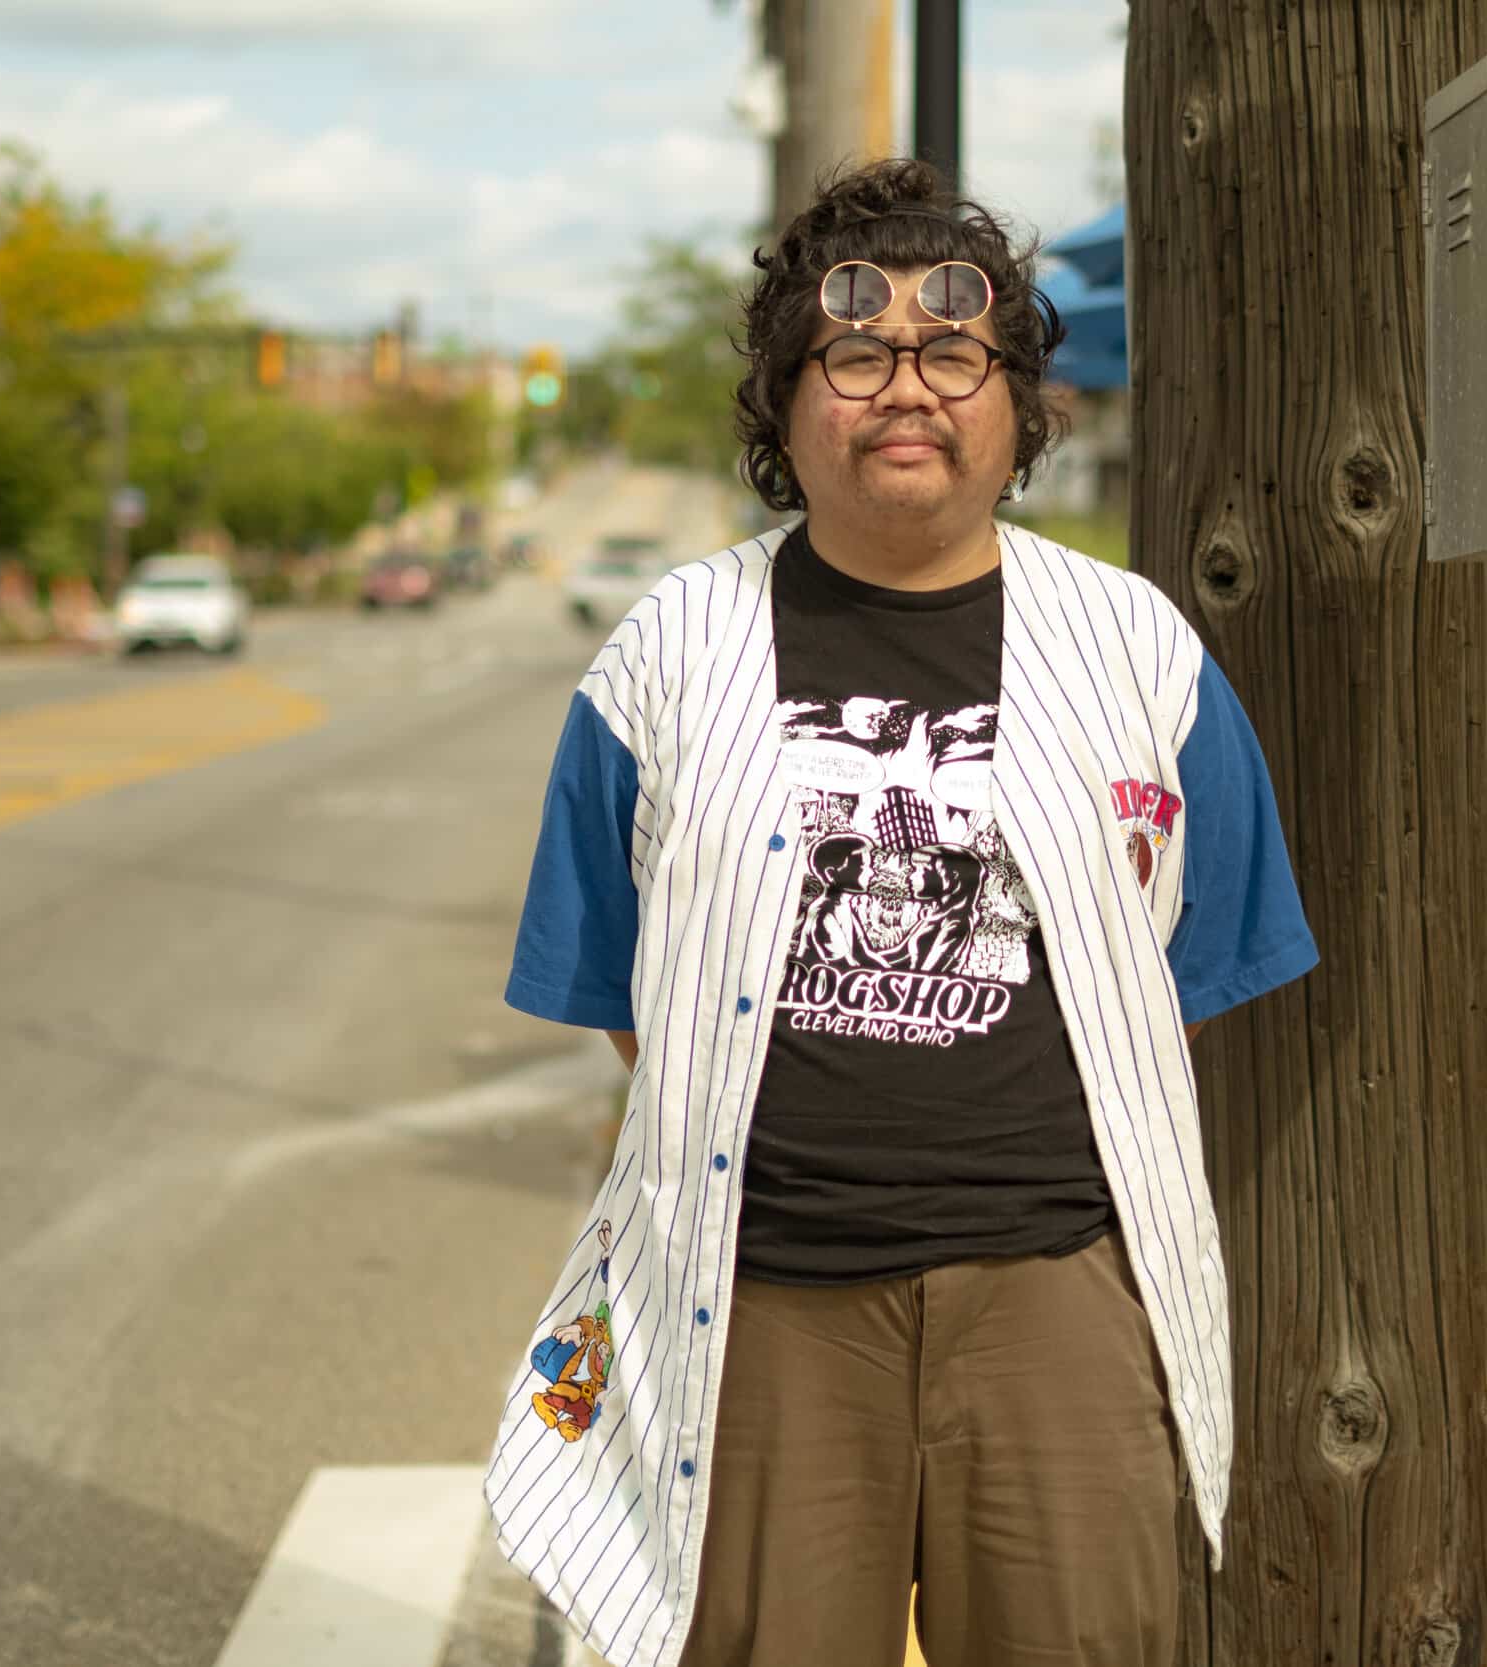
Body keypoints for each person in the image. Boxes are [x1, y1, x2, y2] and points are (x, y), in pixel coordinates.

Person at [484, 158, 1318, 1667]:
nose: (905, 390)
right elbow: (627, 989)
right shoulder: (668, 652)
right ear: (787, 406)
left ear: (1021, 407)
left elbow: (1184, 978)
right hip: (759, 1316)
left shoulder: (1139, 650)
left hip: (1058, 1293)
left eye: (955, 353)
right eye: (855, 356)